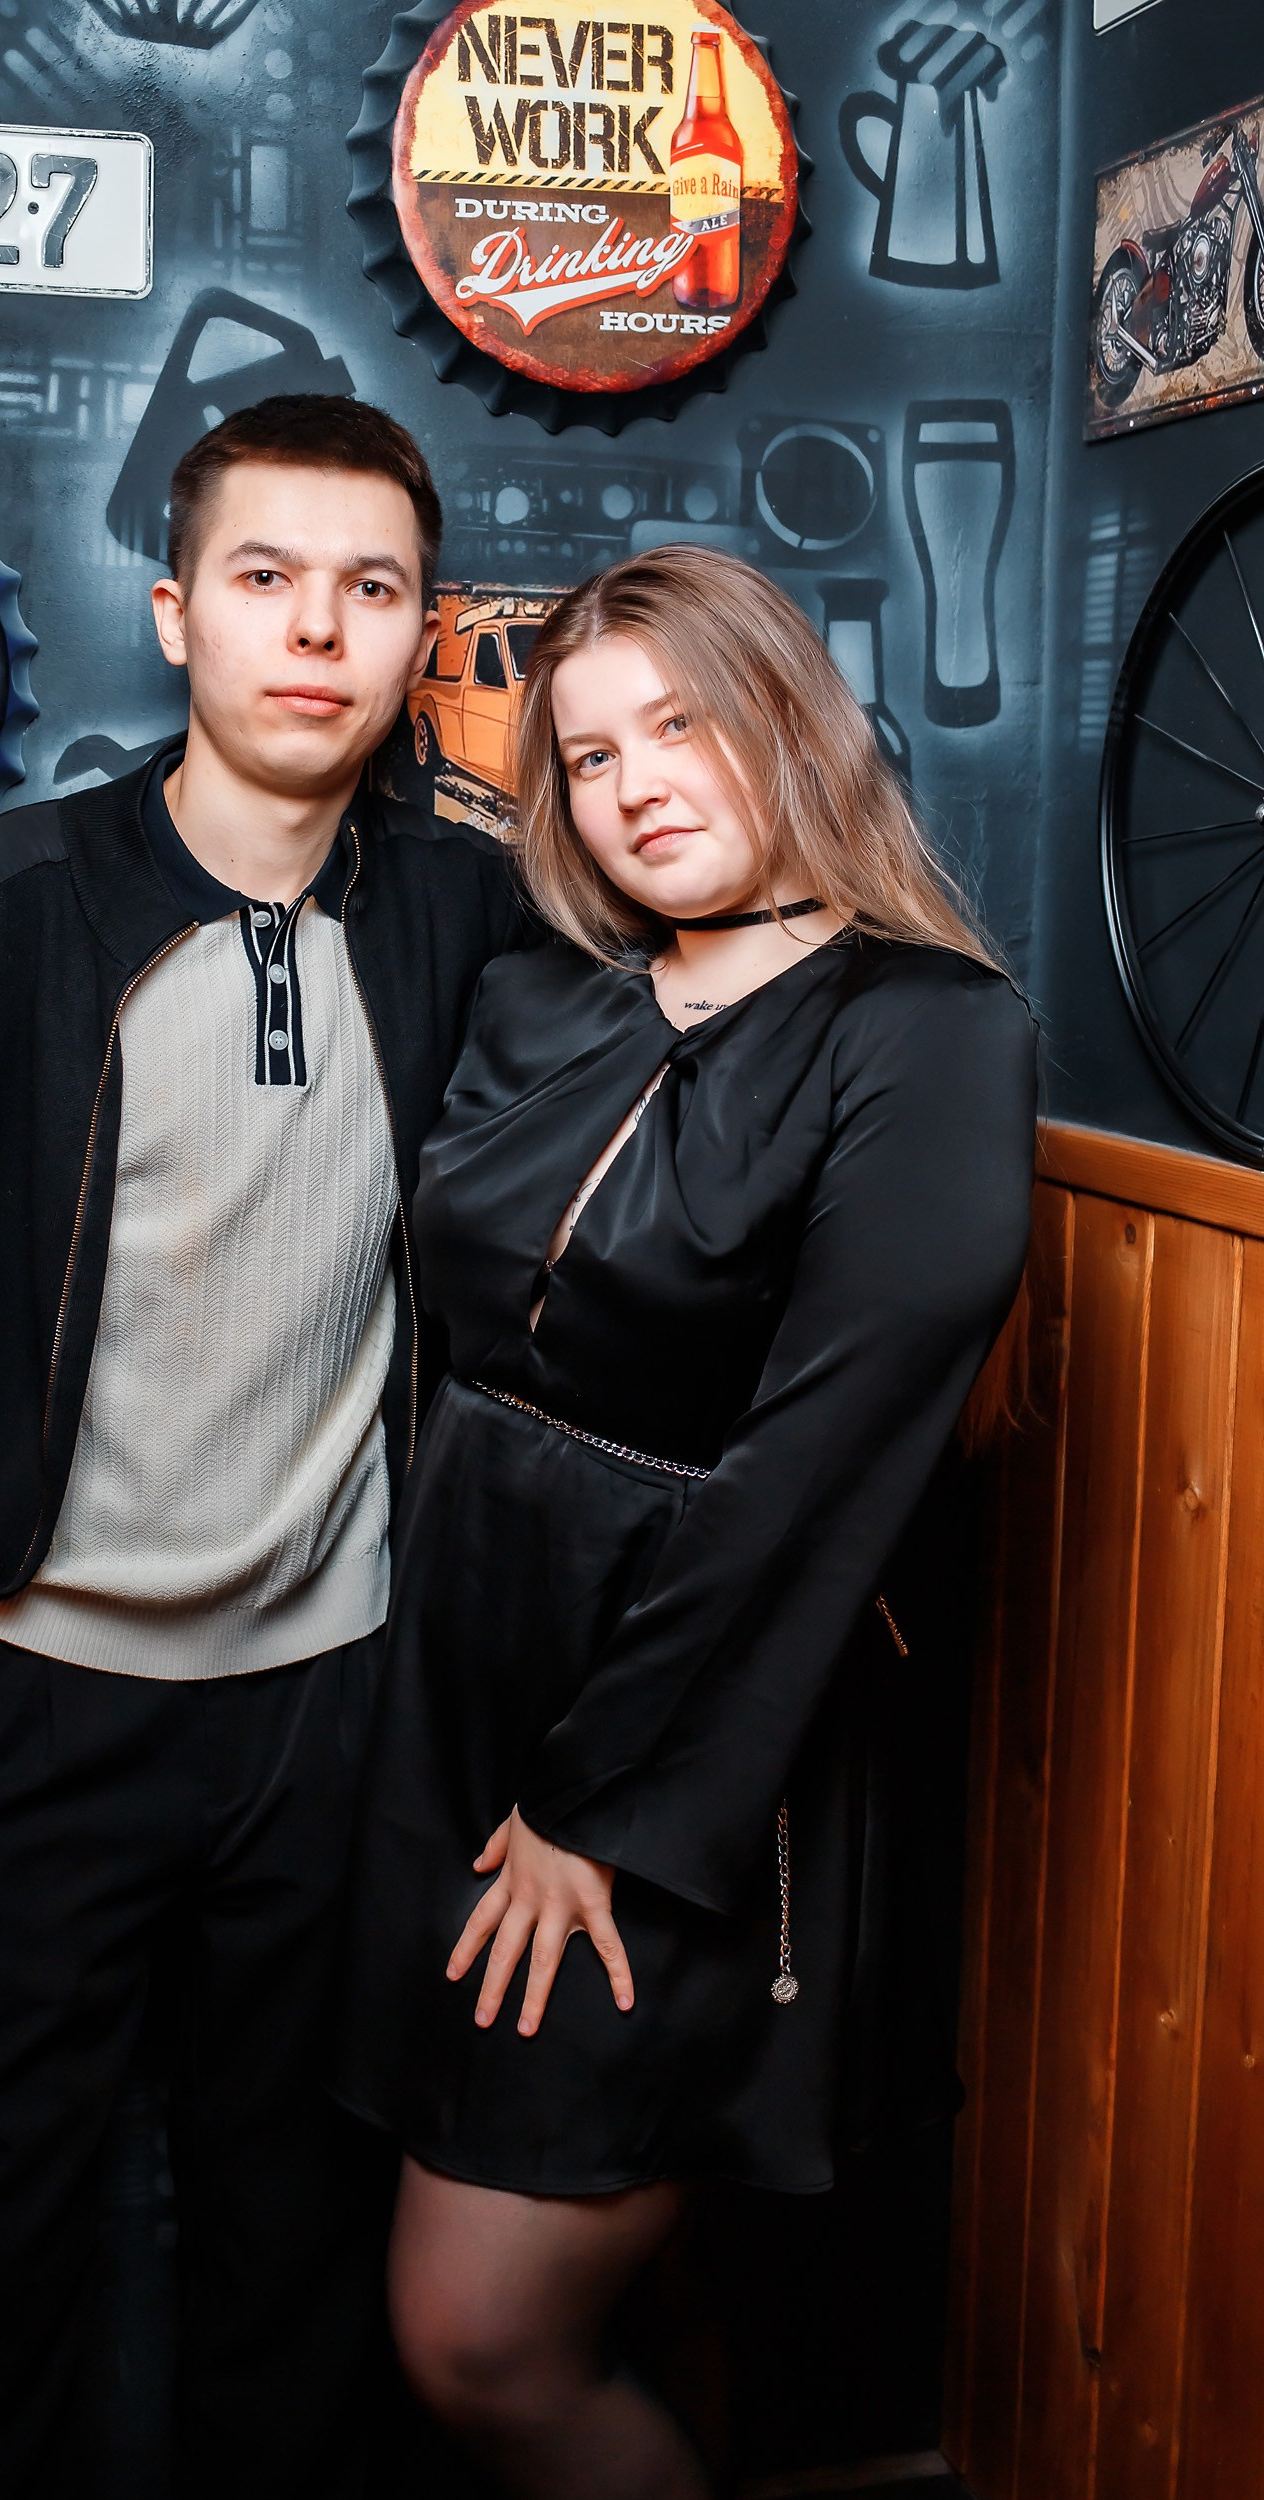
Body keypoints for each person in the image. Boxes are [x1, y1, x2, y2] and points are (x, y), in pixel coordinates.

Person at [0, 394, 522, 2500]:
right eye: (266, 577)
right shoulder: (13, 901)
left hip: (331, 1708)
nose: (318, 630)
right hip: (36, 1689)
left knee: (294, 2281)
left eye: (372, 589)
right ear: (176, 611)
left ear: (422, 635)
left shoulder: (467, 915)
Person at [335, 545, 1038, 2499]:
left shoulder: (929, 1025)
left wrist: (608, 1802)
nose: (637, 782)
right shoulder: (547, 994)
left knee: (481, 2329)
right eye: (589, 754)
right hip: (459, 1687)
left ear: (788, 720)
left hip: (681, 1736)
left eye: (683, 724)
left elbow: (820, 1463)